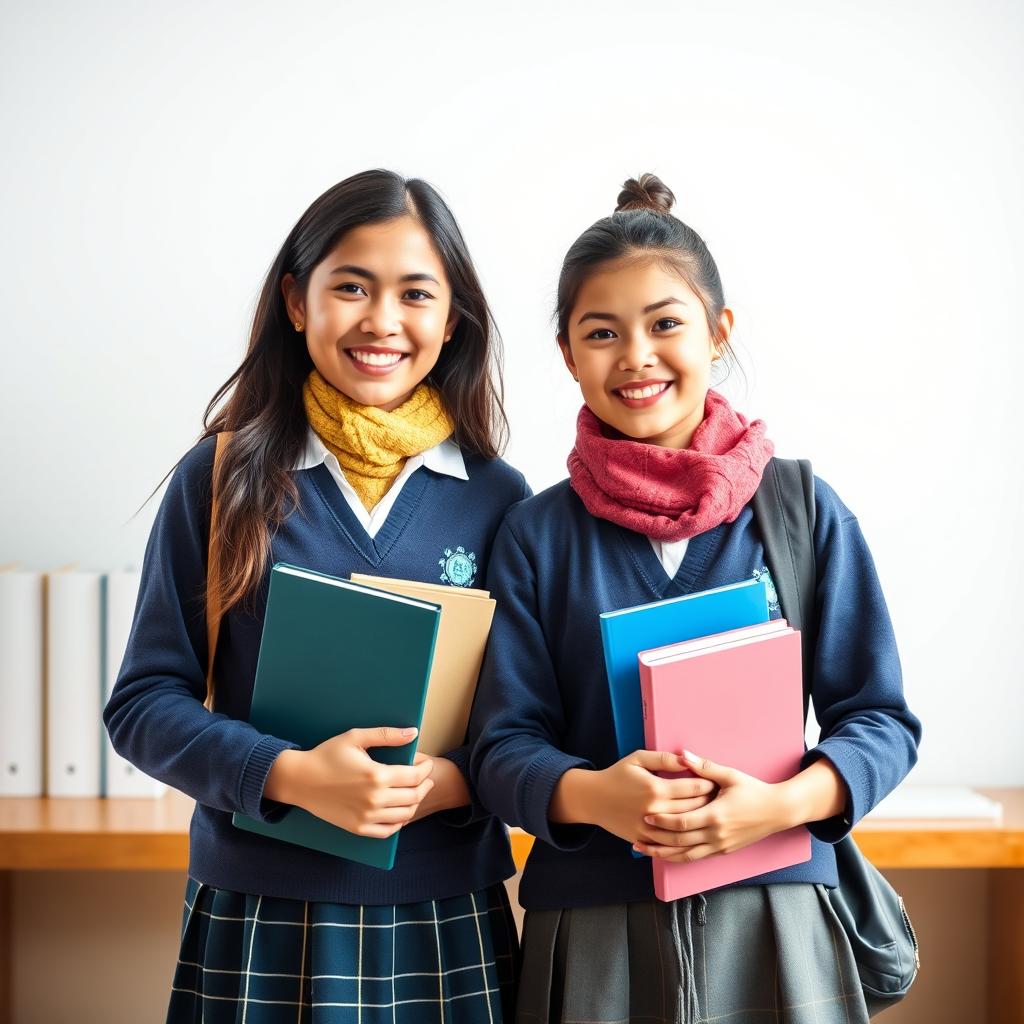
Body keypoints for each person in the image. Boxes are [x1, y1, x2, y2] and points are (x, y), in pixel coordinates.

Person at [468, 173, 921, 1024]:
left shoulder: (802, 510)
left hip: (778, 913)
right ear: (567, 355)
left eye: (665, 324)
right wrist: (598, 795)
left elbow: (882, 721)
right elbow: (499, 749)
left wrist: (782, 807)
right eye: (601, 333)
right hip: (593, 922)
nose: (636, 355)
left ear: (718, 334)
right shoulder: (535, 535)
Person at [104, 168, 528, 1023]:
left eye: (415, 294)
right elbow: (143, 706)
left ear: (453, 321)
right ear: (298, 302)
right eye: (352, 287)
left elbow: (529, 727)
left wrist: (446, 784)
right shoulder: (221, 478)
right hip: (258, 910)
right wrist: (289, 775)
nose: (382, 321)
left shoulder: (502, 499)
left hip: (445, 910)